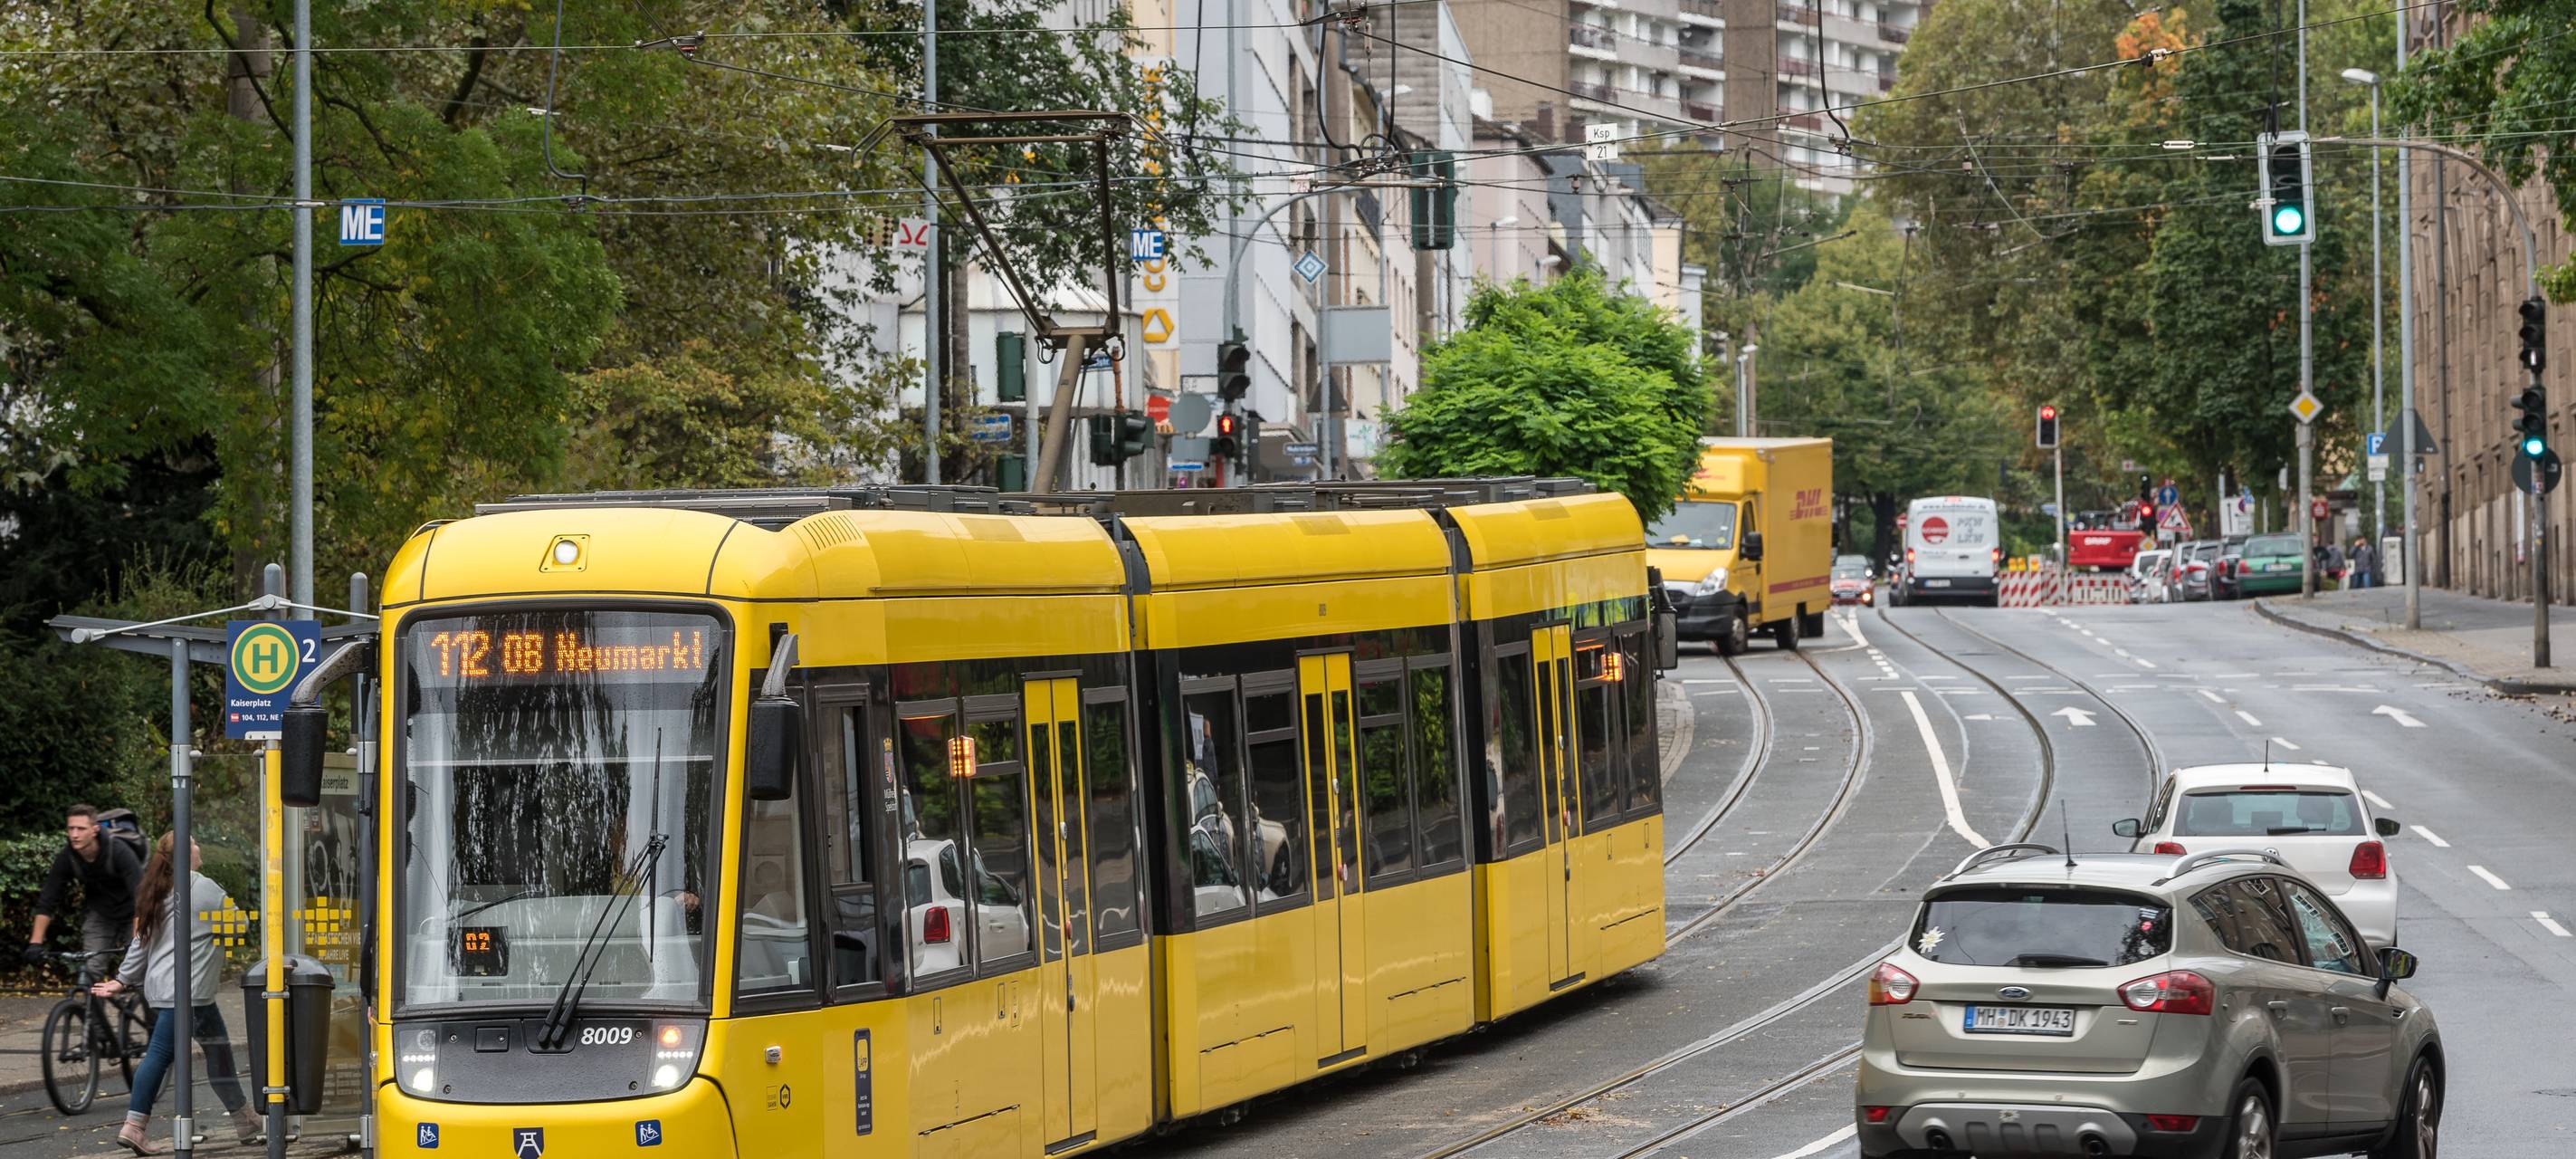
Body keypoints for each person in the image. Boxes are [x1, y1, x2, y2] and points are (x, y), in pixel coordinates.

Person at [91, 834, 258, 1154]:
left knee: (218, 1050)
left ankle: (244, 1118)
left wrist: (122, 980)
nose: (199, 847)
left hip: (176, 992)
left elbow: (142, 943)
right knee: (160, 1055)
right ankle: (134, 1127)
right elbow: (239, 925)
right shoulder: (201, 887)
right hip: (187, 994)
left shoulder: (158, 888)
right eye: (194, 843)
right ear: (187, 853)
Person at [25, 804, 145, 982]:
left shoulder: (119, 851)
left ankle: (148, 1006)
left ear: (95, 830)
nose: (74, 835)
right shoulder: (67, 857)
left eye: (81, 829)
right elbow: (48, 900)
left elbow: (141, 898)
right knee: (91, 970)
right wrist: (35, 943)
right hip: (101, 913)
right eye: (71, 828)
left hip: (134, 913)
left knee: (139, 972)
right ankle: (91, 1010)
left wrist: (137, 940)